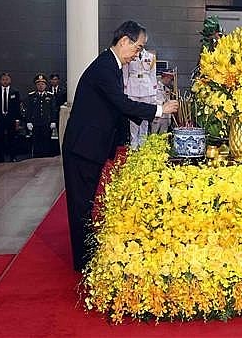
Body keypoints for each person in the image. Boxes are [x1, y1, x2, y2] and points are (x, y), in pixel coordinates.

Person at [62, 20, 179, 272]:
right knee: (81, 204)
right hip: (82, 147)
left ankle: (86, 255)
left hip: (90, 145)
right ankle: (83, 262)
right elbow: (123, 104)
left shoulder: (111, 65)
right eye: (137, 48)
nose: (137, 55)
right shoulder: (105, 67)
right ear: (124, 41)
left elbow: (117, 108)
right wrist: (160, 109)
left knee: (86, 203)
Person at [122, 48, 157, 149]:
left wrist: (154, 93)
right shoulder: (130, 54)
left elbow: (153, 75)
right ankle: (133, 143)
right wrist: (125, 88)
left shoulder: (150, 56)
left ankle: (143, 144)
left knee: (145, 118)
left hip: (146, 88)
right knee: (133, 118)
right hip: (132, 87)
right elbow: (125, 73)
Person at [0, 72, 22, 163]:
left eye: (7, 79)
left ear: (10, 80)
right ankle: (0, 157)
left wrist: (17, 120)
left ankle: (13, 157)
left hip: (11, 119)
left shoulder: (15, 92)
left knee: (12, 138)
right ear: (0, 81)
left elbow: (17, 107)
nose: (5, 81)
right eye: (3, 79)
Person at [26, 74, 58, 158]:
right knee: (36, 142)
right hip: (35, 123)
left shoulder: (50, 96)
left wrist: (53, 121)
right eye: (39, 84)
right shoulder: (31, 96)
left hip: (46, 123)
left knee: (46, 142)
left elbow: (53, 110)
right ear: (36, 85)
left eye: (42, 84)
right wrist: (28, 121)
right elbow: (29, 110)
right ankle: (36, 158)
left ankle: (45, 159)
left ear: (46, 85)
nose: (41, 86)